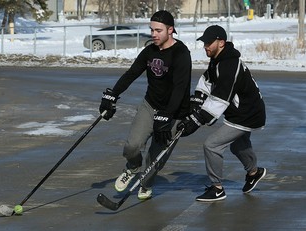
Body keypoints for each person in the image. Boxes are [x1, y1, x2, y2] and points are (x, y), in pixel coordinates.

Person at [99, 10, 192, 200]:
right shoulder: (150, 51)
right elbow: (132, 73)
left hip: (173, 113)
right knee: (132, 147)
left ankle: (146, 184)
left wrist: (167, 114)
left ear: (170, 30)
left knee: (155, 158)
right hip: (150, 106)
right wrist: (113, 95)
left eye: (158, 30)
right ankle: (133, 166)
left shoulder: (181, 54)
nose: (154, 34)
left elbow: (180, 89)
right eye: (152, 30)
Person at [178, 25, 266, 202]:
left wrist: (197, 120)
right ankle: (254, 173)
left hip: (247, 114)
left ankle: (217, 188)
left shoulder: (229, 65)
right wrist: (197, 99)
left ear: (221, 43)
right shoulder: (218, 59)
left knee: (212, 145)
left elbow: (220, 98)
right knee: (237, 145)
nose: (205, 46)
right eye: (204, 43)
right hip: (241, 112)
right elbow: (208, 79)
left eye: (209, 43)